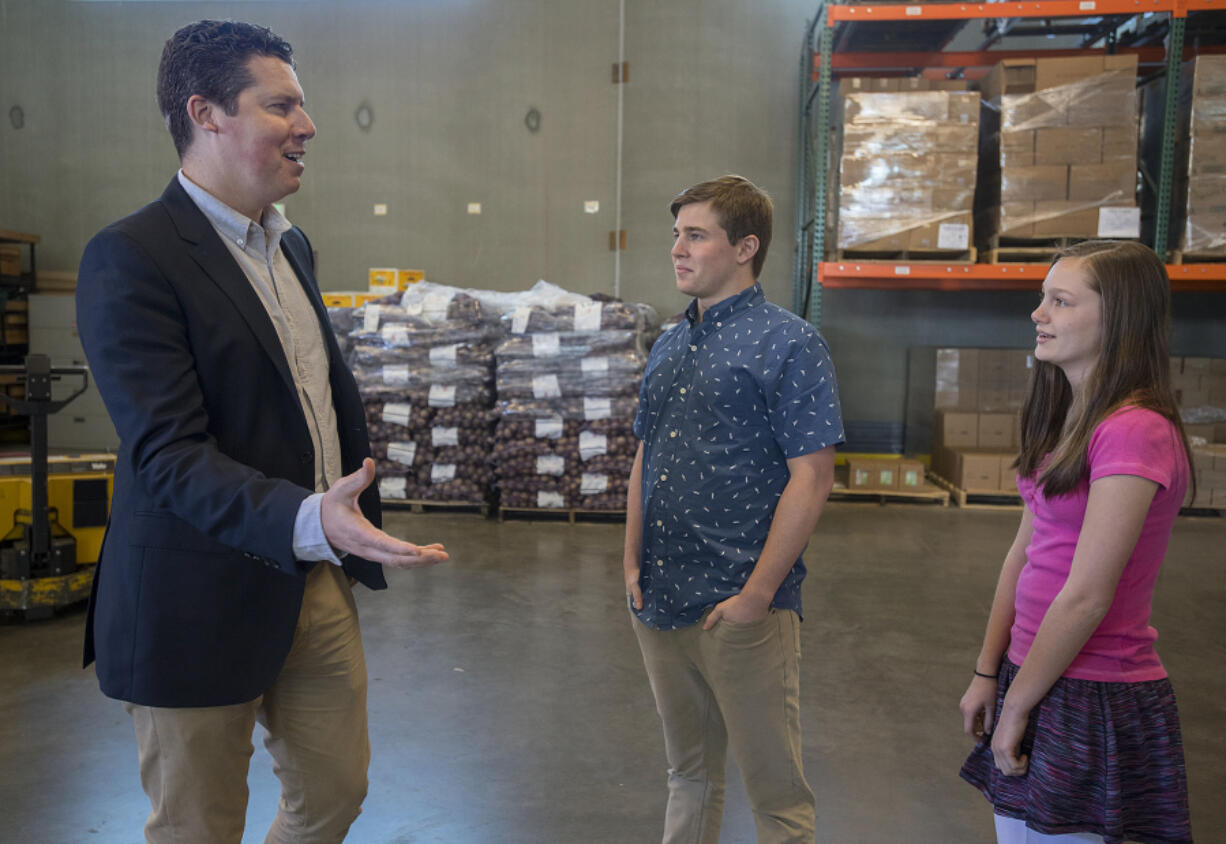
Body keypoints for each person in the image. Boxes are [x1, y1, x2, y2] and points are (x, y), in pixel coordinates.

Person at [76, 20, 448, 843]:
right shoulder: (131, 257)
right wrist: (310, 517)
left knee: (336, 792)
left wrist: (327, 528)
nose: (307, 126)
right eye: (281, 106)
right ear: (206, 113)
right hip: (191, 596)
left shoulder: (292, 247)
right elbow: (168, 456)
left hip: (310, 578)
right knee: (197, 826)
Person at [624, 174, 844, 844]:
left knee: (775, 795)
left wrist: (757, 595)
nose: (678, 250)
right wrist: (630, 561)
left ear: (746, 246)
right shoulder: (669, 342)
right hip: (659, 599)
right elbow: (645, 453)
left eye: (696, 235)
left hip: (741, 607)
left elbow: (812, 478)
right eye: (676, 235)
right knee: (687, 775)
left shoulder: (791, 343)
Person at [958, 240, 1194, 844]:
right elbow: (1024, 555)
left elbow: (1086, 595)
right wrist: (991, 672)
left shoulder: (1135, 431)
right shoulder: (1067, 417)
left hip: (1093, 693)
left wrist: (1017, 707)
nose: (1039, 314)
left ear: (1119, 319)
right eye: (1043, 299)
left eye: (1060, 301)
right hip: (1033, 674)